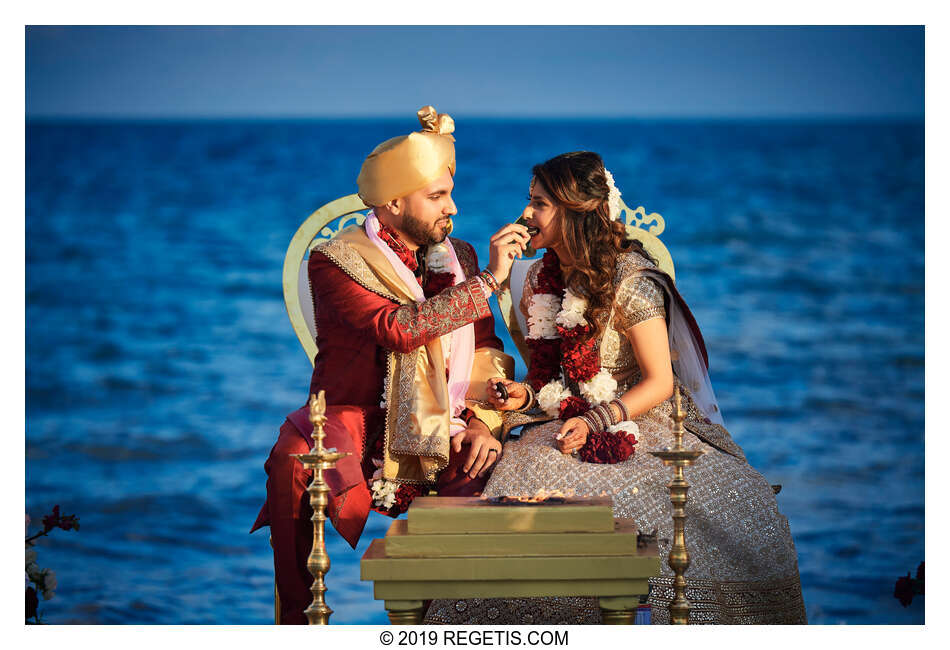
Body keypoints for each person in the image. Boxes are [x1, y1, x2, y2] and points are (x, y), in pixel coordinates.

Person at [423, 151, 807, 625]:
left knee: (716, 509)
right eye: (529, 201)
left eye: (540, 203)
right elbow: (553, 380)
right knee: (522, 491)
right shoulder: (542, 278)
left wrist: (595, 419)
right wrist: (523, 395)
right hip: (565, 421)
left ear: (575, 211)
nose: (526, 214)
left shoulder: (632, 278)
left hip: (641, 419)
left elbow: (660, 382)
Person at [251, 106, 527, 624]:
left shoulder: (460, 257)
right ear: (395, 201)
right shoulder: (336, 259)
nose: (455, 208)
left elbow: (488, 350)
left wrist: (482, 421)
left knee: (477, 465)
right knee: (294, 454)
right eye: (438, 196)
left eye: (451, 192)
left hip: (444, 416)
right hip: (360, 414)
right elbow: (399, 328)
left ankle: (434, 626)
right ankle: (296, 620)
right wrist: (489, 283)